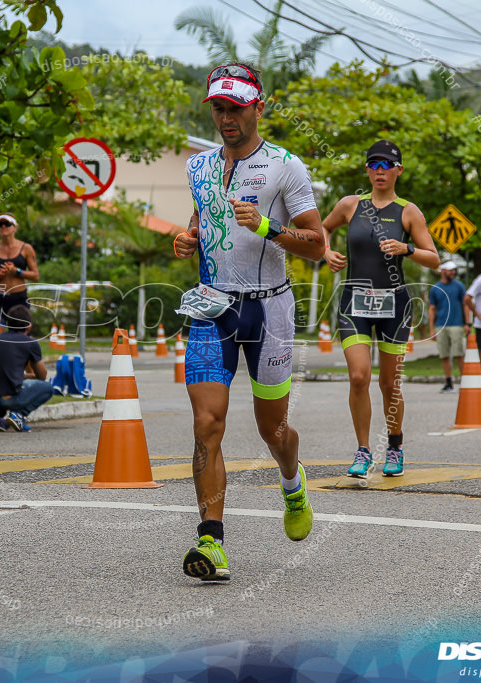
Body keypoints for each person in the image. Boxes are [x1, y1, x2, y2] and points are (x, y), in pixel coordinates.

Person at [172, 62, 325, 583]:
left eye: (235, 107)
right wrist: (187, 237)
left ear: (258, 106)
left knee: (272, 429)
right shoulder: (197, 167)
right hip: (212, 307)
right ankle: (210, 541)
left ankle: (292, 480)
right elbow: (202, 220)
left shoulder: (287, 167)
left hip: (270, 309)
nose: (226, 117)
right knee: (206, 424)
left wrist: (266, 225)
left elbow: (317, 244)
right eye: (218, 108)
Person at [322, 140, 439, 478]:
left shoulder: (408, 211)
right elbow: (324, 229)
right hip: (354, 302)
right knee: (359, 376)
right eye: (374, 164)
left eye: (387, 165)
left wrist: (407, 248)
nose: (380, 171)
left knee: (390, 384)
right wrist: (326, 252)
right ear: (366, 170)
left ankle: (395, 445)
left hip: (394, 305)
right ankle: (362, 450)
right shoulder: (349, 205)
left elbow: (434, 257)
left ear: (399, 170)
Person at [0, 304, 52, 432]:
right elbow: (42, 376)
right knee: (47, 388)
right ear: (29, 326)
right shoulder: (30, 342)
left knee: (5, 384)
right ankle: (20, 414)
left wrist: (23, 376)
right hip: (8, 400)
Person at [0, 213, 39, 340]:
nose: (3, 227)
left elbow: (35, 275)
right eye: (0, 225)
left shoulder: (26, 248)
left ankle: (25, 360)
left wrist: (16, 271)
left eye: (7, 224)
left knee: (23, 340)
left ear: (15, 228)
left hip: (19, 299)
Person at [428, 260, 468, 392]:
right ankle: (448, 382)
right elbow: (432, 309)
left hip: (456, 324)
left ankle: (464, 382)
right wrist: (431, 329)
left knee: (459, 354)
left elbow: (465, 304)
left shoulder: (459, 286)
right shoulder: (435, 288)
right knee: (444, 355)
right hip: (441, 325)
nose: (453, 272)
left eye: (454, 270)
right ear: (443, 271)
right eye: (450, 270)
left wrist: (467, 323)